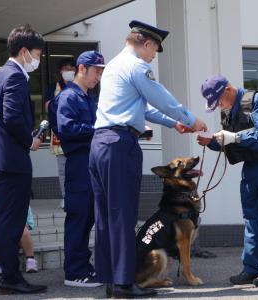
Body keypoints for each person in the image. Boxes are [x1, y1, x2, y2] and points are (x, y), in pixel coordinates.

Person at [89, 20, 207, 298]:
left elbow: (142, 107)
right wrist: (191, 119)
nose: (154, 56)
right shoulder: (138, 66)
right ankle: (124, 283)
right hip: (120, 144)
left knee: (105, 216)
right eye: (154, 49)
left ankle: (110, 279)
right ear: (146, 43)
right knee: (122, 214)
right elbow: (160, 98)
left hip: (100, 144)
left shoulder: (115, 66)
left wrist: (172, 124)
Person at [197, 75, 258, 287]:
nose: (220, 106)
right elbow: (229, 142)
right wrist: (211, 140)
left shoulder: (255, 101)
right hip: (250, 168)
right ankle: (251, 269)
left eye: (219, 101)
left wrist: (233, 137)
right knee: (251, 220)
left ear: (229, 90)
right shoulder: (229, 110)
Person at [0, 24, 47, 294]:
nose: (37, 60)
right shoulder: (15, 77)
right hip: (12, 162)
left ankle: (2, 275)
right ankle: (11, 278)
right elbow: (12, 117)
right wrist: (30, 140)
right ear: (24, 51)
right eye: (37, 54)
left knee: (0, 218)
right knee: (11, 222)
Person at [56, 51, 105, 287]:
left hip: (91, 164)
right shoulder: (69, 97)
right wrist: (97, 129)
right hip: (78, 164)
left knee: (88, 218)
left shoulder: (89, 97)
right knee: (79, 218)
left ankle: (84, 268)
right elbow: (66, 129)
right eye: (96, 72)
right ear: (82, 69)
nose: (98, 77)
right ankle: (75, 272)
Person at [46, 58, 76, 209]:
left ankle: (76, 195)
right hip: (59, 133)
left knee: (77, 167)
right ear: (60, 71)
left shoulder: (82, 87)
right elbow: (47, 106)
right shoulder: (53, 87)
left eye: (71, 68)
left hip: (77, 133)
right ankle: (65, 197)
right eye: (65, 68)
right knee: (62, 168)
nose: (69, 71)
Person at [0, 206, 39, 275]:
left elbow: (29, 224)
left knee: (23, 229)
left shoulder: (21, 204)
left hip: (16, 235)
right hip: (1, 235)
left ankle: (30, 260)